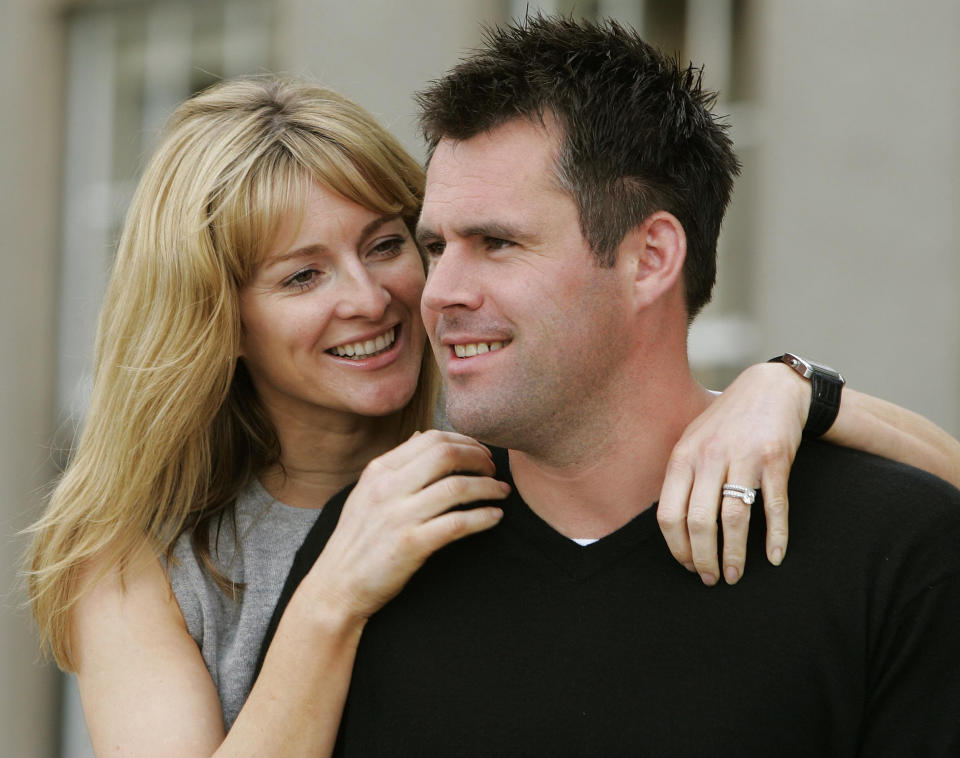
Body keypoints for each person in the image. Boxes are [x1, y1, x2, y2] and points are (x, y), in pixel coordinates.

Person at [25, 75, 957, 755]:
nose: (375, 298)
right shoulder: (135, 554)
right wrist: (332, 597)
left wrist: (791, 388)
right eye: (303, 276)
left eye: (392, 245)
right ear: (218, 318)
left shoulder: (496, 432)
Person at [262, 17, 960, 756]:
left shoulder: (894, 553)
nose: (438, 293)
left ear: (650, 257)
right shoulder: (372, 549)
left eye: (497, 243)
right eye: (437, 246)